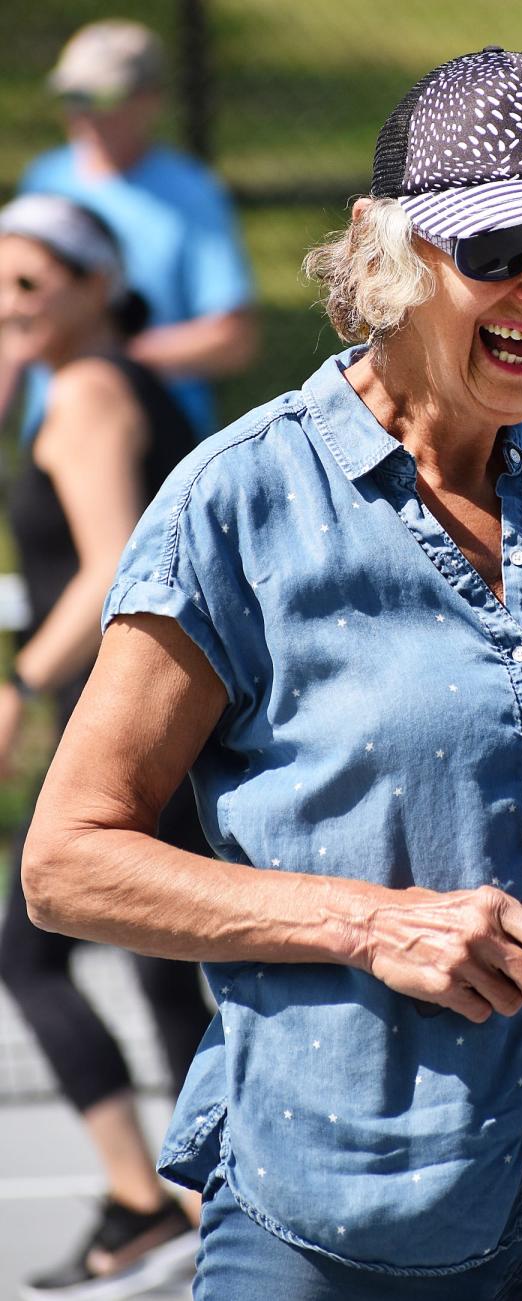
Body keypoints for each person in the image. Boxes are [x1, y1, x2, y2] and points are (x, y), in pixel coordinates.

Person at [21, 49, 522, 1299]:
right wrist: (372, 921)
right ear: (387, 253)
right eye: (498, 248)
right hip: (349, 1207)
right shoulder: (239, 502)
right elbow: (68, 861)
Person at [0, 194, 212, 1297]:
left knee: (29, 947)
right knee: (167, 963)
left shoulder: (85, 392)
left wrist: (18, 685)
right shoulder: (94, 380)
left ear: (95, 285)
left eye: (31, 282)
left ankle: (153, 1197)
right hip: (159, 715)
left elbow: (109, 565)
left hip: (129, 713)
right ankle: (204, 1202)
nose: (9, 301)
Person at [0, 18, 256, 445]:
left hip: (158, 446)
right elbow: (12, 321)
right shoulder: (44, 179)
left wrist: (108, 360)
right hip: (52, 437)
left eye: (103, 96)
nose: (85, 112)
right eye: (73, 95)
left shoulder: (192, 192)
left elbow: (233, 339)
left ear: (150, 99)